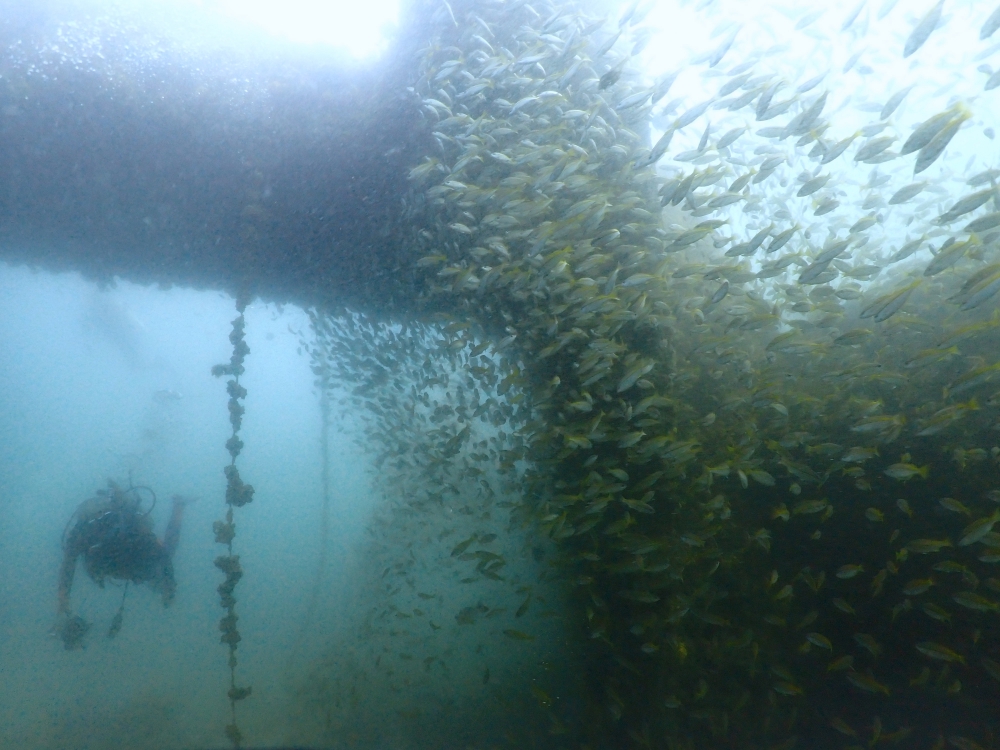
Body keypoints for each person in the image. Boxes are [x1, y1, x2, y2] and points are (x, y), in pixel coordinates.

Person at [54, 479, 192, 649]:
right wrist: (63, 597)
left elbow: (69, 561)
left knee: (161, 557)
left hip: (122, 559)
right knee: (164, 555)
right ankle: (179, 506)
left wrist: (63, 596)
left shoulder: (125, 535)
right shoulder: (92, 532)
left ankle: (179, 506)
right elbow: (70, 559)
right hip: (122, 559)